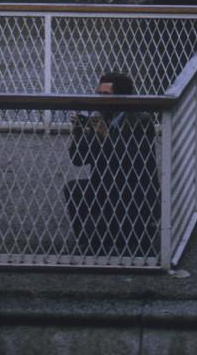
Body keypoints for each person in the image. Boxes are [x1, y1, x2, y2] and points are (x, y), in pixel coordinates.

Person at [66, 71, 157, 259]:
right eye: (99, 94)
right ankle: (87, 242)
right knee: (74, 189)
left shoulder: (140, 120)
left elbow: (135, 163)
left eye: (105, 95)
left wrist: (107, 136)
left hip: (134, 187)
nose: (100, 100)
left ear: (121, 97)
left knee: (113, 191)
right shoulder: (101, 117)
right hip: (104, 185)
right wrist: (79, 133)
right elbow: (78, 160)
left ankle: (121, 240)